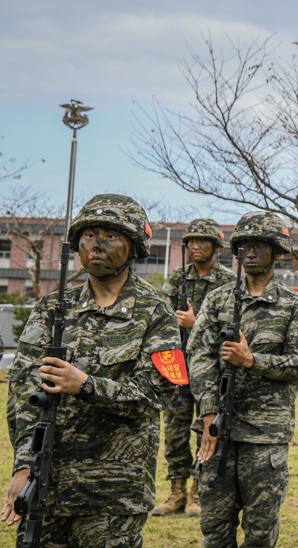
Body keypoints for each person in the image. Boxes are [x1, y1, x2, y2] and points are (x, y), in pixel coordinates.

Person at [3, 194, 182, 547]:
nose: (96, 245)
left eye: (110, 236)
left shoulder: (155, 312)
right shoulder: (52, 308)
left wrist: (85, 384)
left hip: (113, 495)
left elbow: (158, 392)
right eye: (88, 236)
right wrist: (24, 464)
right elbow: (23, 392)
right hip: (47, 485)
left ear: (134, 246)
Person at [187, 210, 298, 548]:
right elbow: (198, 355)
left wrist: (252, 360)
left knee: (260, 530)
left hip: (264, 435)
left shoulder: (294, 307)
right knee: (214, 528)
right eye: (245, 247)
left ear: (276, 253)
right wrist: (209, 411)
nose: (252, 253)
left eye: (261, 246)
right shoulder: (217, 300)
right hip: (215, 428)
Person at [154, 218, 236, 518]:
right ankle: (176, 490)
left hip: (211, 368)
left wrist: (195, 321)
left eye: (203, 242)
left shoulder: (228, 281)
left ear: (216, 246)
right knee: (174, 431)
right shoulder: (179, 277)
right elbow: (164, 317)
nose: (196, 247)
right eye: (191, 242)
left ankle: (199, 492)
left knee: (206, 428)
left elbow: (232, 323)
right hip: (177, 366)